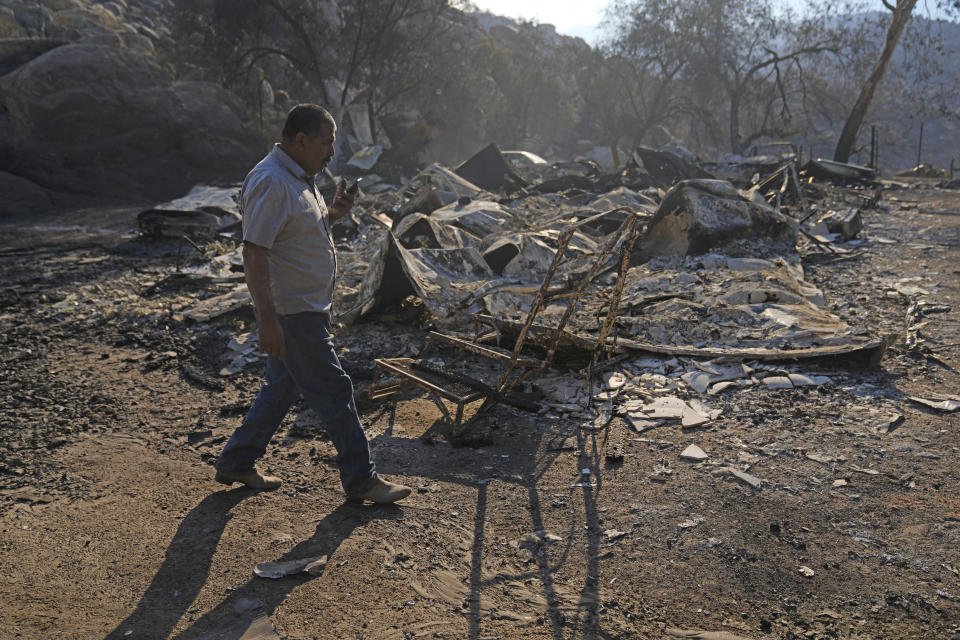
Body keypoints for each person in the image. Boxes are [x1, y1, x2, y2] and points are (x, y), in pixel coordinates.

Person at [214, 104, 411, 504]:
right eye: (326, 143)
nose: (331, 153)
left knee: (281, 388)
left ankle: (237, 459)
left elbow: (297, 236)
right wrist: (267, 321)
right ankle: (362, 479)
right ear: (301, 140)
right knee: (336, 390)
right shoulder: (272, 182)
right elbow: (254, 253)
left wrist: (335, 213)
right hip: (293, 313)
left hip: (304, 310)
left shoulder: (300, 179)